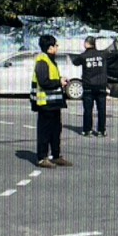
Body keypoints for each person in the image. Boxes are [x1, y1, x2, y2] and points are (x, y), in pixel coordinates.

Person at [31, 34, 71, 167]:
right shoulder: (42, 61)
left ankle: (56, 155)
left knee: (55, 131)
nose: (57, 47)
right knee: (45, 132)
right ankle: (42, 157)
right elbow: (44, 81)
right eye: (56, 45)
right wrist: (59, 81)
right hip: (45, 104)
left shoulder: (51, 60)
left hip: (54, 103)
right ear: (49, 48)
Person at [73, 36, 109, 137]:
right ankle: (101, 130)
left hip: (88, 86)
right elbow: (117, 53)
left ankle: (87, 130)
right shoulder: (103, 54)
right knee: (102, 109)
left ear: (86, 44)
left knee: (88, 109)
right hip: (101, 86)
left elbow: (75, 62)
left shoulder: (83, 56)